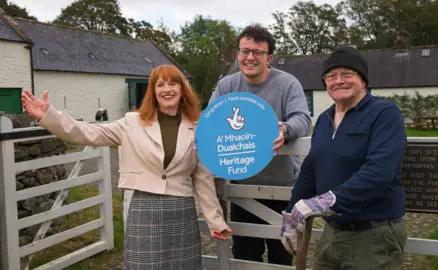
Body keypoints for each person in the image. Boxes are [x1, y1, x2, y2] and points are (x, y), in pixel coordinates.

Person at [21, 65, 232, 270]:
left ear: (182, 89)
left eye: (173, 84)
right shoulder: (132, 123)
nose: (167, 89)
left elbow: (203, 178)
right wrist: (48, 116)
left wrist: (215, 221)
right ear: (153, 91)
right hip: (145, 210)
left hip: (181, 210)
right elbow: (88, 133)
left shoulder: (197, 127)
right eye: (160, 85)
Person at [281, 46, 408, 269]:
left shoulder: (384, 113)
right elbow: (311, 169)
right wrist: (291, 214)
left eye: (347, 74)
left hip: (372, 236)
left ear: (363, 79)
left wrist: (321, 203)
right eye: (331, 76)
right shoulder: (324, 119)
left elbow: (378, 172)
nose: (338, 81)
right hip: (331, 233)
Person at [208, 24, 312, 265]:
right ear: (238, 54)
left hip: (284, 187)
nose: (250, 57)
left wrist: (285, 130)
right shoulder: (226, 85)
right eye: (244, 51)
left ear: (269, 57)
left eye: (257, 52)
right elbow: (210, 119)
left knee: (282, 255)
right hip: (242, 186)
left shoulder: (288, 84)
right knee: (244, 255)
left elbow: (303, 119)